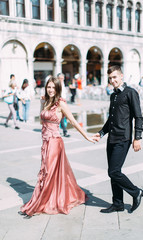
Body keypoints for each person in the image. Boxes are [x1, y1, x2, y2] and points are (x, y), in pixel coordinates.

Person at [18, 76, 95, 218]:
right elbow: (42, 122)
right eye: (49, 87)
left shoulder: (61, 104)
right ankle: (48, 199)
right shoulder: (46, 101)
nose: (51, 89)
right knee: (48, 171)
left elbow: (73, 121)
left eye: (53, 87)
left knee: (49, 171)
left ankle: (40, 203)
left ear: (58, 88)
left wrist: (87, 136)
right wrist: (42, 104)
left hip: (55, 142)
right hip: (46, 142)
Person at [93, 65, 143, 213]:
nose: (112, 80)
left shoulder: (131, 93)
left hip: (123, 138)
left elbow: (138, 116)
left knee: (114, 172)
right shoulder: (113, 95)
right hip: (112, 138)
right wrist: (101, 133)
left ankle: (136, 192)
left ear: (122, 76)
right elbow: (111, 119)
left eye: (115, 77)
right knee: (113, 171)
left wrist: (138, 137)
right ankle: (118, 203)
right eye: (110, 78)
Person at [57, 73, 70, 137]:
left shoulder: (63, 84)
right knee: (60, 117)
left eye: (62, 78)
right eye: (60, 78)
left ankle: (64, 131)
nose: (62, 79)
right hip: (59, 103)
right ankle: (64, 131)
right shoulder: (57, 84)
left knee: (62, 117)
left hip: (63, 102)